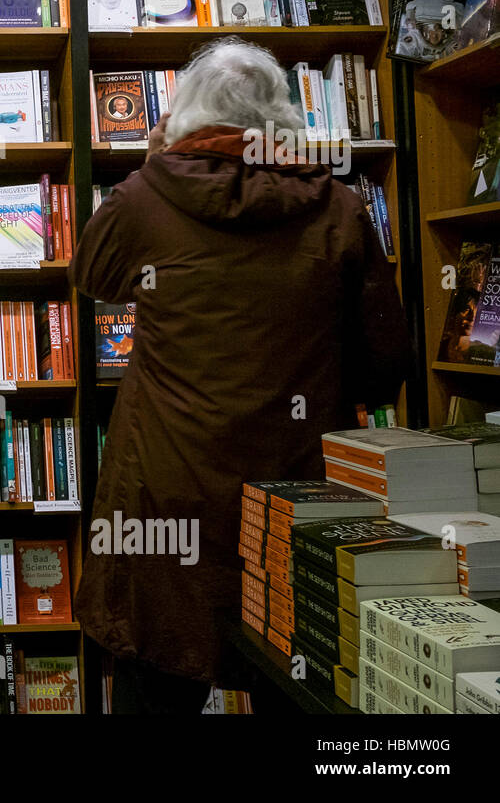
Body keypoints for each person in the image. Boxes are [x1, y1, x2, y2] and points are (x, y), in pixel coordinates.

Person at [71, 38, 411, 713]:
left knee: (158, 663)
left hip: (167, 489)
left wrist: (154, 160)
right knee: (292, 664)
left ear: (183, 114)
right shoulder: (339, 206)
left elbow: (93, 276)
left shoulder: (147, 196)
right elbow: (384, 364)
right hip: (294, 487)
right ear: (283, 115)